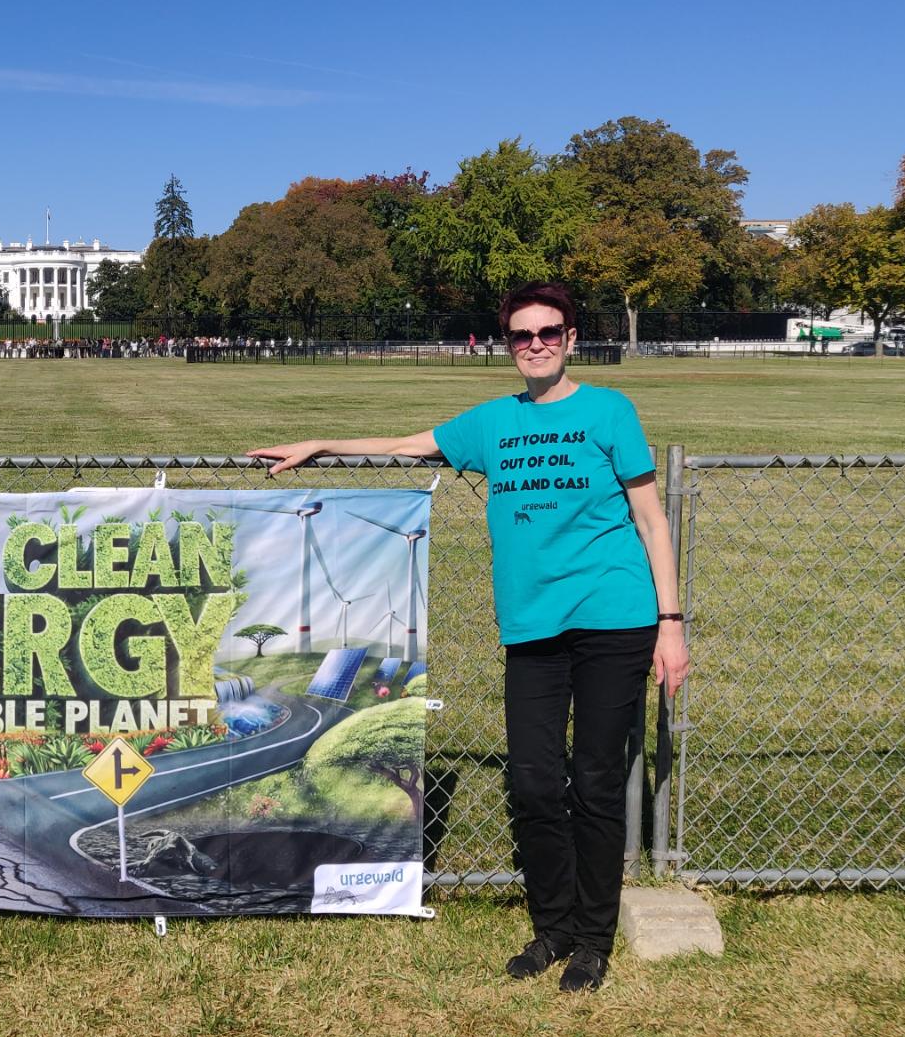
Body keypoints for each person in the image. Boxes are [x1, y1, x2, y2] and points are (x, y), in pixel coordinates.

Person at [251, 281, 689, 992]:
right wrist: (322, 444)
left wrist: (670, 623)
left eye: (550, 332)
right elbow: (404, 443)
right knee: (536, 781)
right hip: (532, 625)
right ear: (507, 345)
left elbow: (651, 518)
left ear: (572, 339)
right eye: (522, 335)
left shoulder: (610, 411)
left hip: (615, 617)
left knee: (599, 782)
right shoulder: (491, 424)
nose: (537, 344)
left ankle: (591, 938)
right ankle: (551, 928)